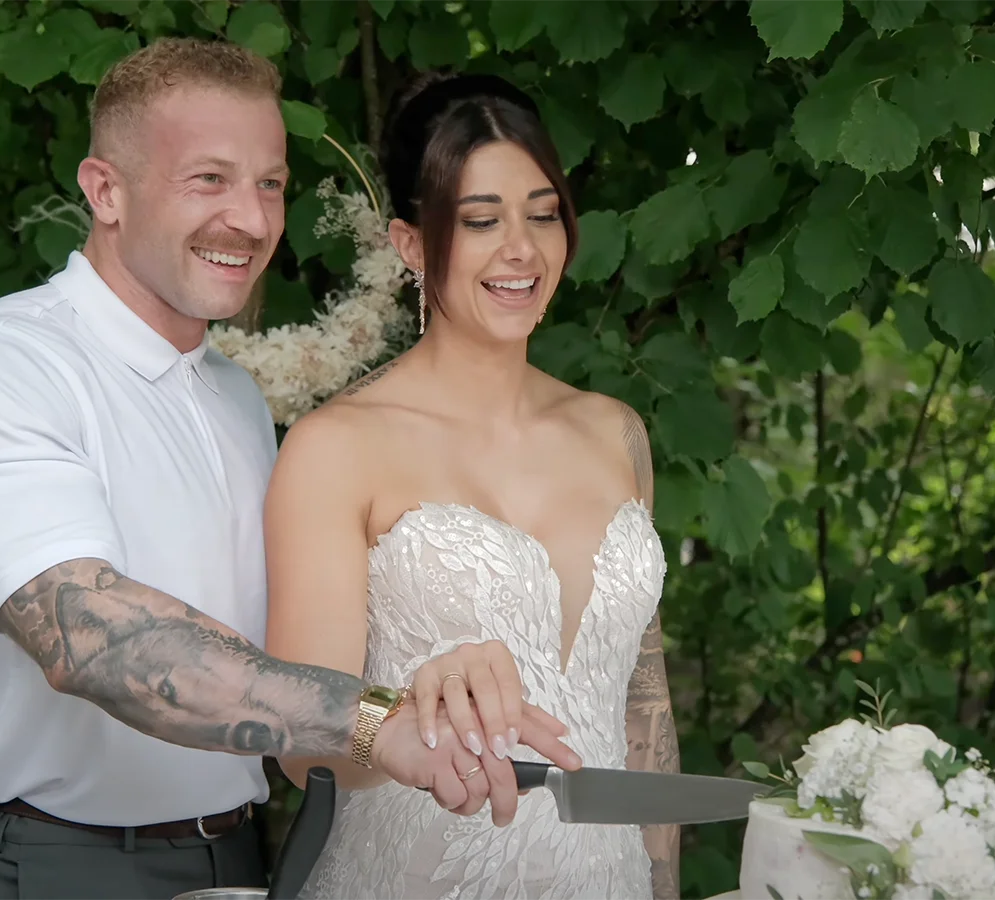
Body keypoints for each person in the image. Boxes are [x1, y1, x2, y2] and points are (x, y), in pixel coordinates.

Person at [0, 41, 580, 900]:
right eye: (208, 181)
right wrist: (381, 721)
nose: (252, 221)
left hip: (236, 856)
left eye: (269, 184)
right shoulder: (1, 368)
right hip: (51, 861)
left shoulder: (232, 397)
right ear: (105, 190)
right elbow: (93, 640)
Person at [262, 71, 682, 900]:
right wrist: (401, 712)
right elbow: (298, 739)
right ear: (412, 244)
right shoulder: (335, 447)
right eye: (481, 221)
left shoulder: (615, 432)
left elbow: (644, 711)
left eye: (542, 212)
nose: (521, 249)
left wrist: (661, 881)